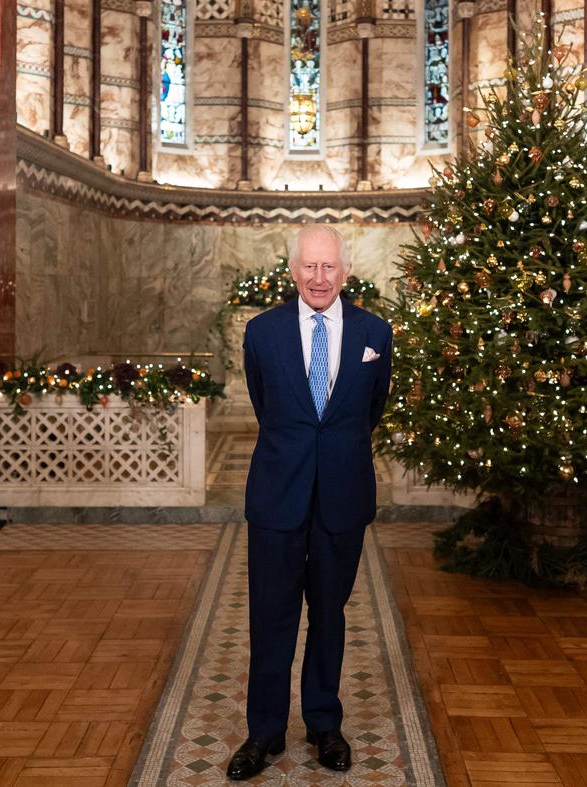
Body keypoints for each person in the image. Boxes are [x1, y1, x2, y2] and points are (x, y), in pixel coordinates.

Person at [227, 225, 392, 781]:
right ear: (292, 269)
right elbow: (264, 403)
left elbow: (371, 409)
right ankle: (264, 731)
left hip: (343, 498)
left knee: (329, 614)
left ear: (345, 272)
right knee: (271, 617)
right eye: (309, 267)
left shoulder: (376, 332)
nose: (319, 278)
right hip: (277, 496)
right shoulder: (262, 333)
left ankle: (324, 723)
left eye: (329, 268)